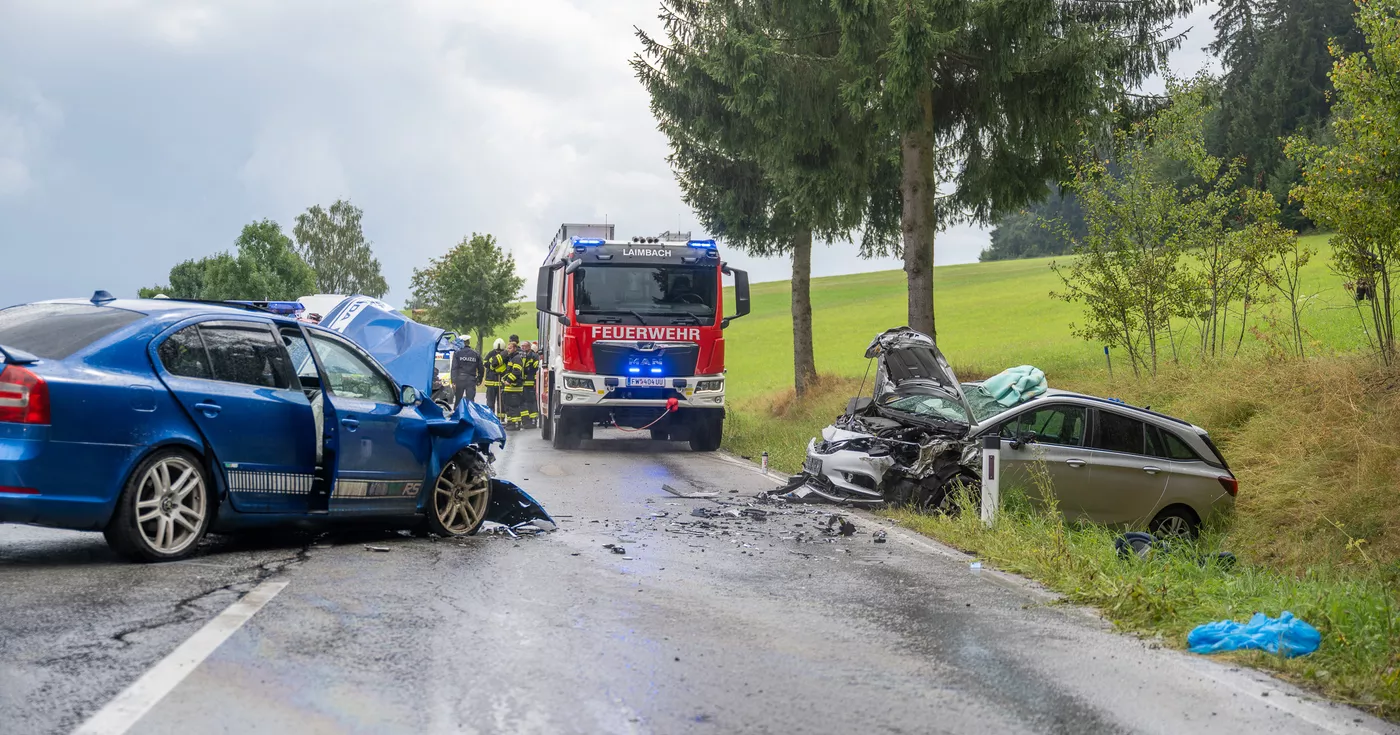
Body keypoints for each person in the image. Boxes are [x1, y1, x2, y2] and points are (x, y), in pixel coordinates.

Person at [449, 335, 483, 407]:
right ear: (469, 342)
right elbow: (481, 368)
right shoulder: (475, 354)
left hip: (460, 379)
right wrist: (479, 380)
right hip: (471, 380)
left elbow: (454, 368)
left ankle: (457, 415)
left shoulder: (457, 353)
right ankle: (470, 416)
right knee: (470, 401)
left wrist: (453, 381)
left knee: (458, 400)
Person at [500, 339, 525, 430]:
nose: (508, 350)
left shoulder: (517, 358)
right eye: (507, 348)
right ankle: (511, 423)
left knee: (513, 407)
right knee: (509, 407)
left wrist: (509, 381)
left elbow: (516, 371)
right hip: (510, 388)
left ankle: (514, 424)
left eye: (510, 348)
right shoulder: (512, 358)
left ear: (515, 348)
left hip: (514, 387)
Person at [483, 338, 505, 415]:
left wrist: (501, 369)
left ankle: (500, 417)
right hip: (491, 383)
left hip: (500, 383)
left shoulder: (504, 354)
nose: (498, 352)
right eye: (497, 350)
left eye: (500, 350)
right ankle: (491, 417)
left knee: (501, 402)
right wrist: (493, 367)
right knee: (490, 402)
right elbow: (485, 363)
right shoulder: (490, 353)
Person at [521, 340, 540, 429]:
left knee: (531, 402)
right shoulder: (521, 356)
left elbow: (536, 369)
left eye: (524, 346)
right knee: (524, 403)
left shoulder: (534, 356)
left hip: (531, 383)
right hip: (523, 384)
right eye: (522, 346)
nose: (523, 348)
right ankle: (526, 421)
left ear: (529, 347)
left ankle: (533, 420)